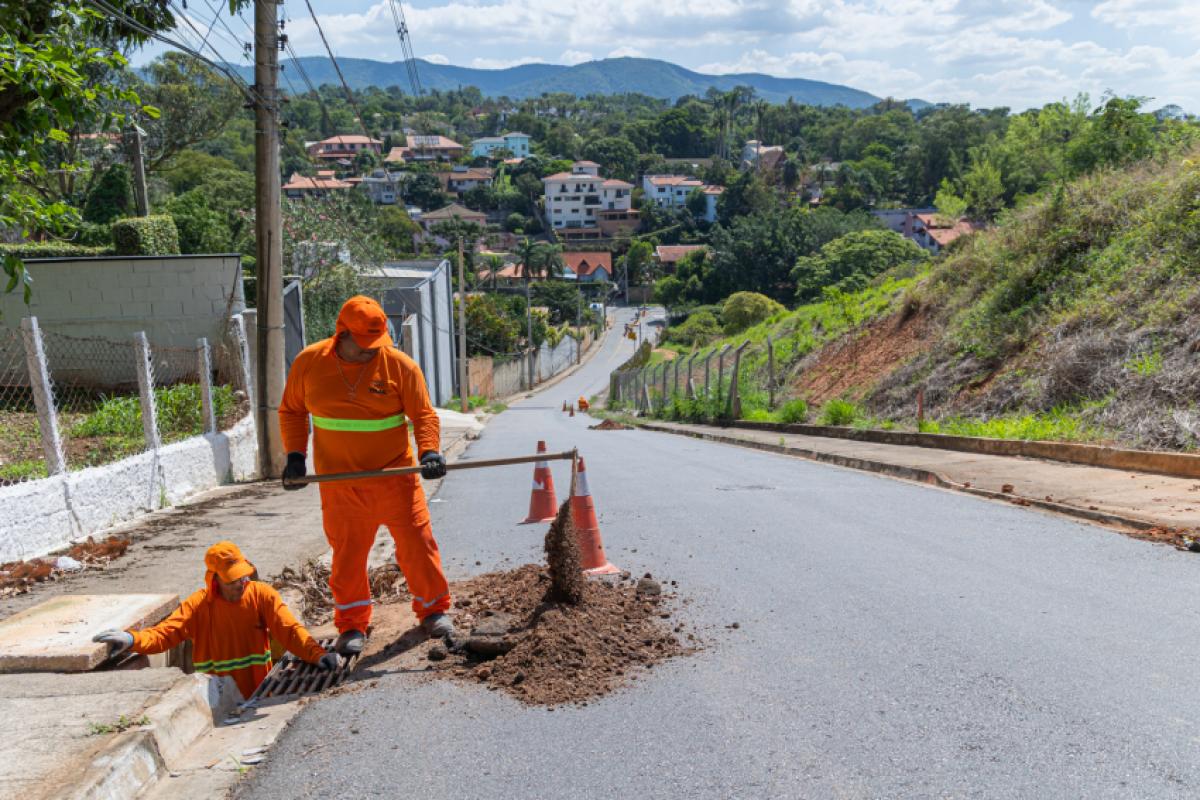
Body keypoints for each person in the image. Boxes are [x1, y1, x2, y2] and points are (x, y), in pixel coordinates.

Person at [279, 295, 455, 657]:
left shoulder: (400, 366)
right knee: (347, 557)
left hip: (395, 477)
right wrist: (295, 456)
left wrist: (429, 452)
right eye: (365, 345)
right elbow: (292, 411)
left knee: (418, 547)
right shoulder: (310, 363)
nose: (373, 352)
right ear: (341, 333)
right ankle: (352, 624)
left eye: (378, 343)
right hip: (341, 485)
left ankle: (433, 610)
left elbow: (424, 415)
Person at [93, 541, 336, 700]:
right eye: (232, 580)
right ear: (214, 579)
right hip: (217, 699)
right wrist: (131, 639)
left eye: (243, 577)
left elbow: (290, 630)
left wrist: (317, 654)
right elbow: (166, 633)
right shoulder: (199, 605)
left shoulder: (261, 594)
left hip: (260, 693)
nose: (241, 584)